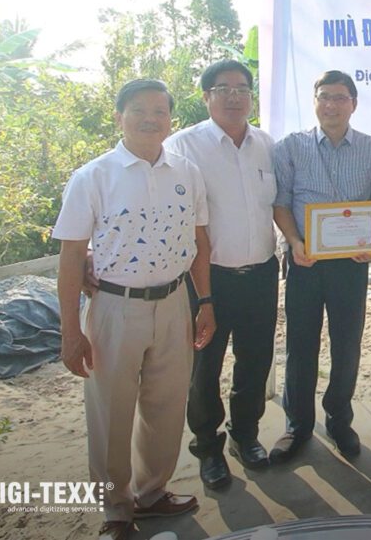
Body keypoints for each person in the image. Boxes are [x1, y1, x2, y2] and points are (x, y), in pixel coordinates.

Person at [54, 79, 216, 540]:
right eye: (140, 110)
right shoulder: (93, 176)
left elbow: (200, 243)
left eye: (160, 111)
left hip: (173, 304)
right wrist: (70, 331)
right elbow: (70, 258)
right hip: (114, 308)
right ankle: (115, 510)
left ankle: (152, 493)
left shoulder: (187, 172)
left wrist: (204, 301)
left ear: (171, 119)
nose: (151, 119)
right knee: (111, 410)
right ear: (119, 116)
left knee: (166, 406)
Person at [165, 60, 279, 489]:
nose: (234, 96)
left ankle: (244, 435)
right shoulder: (182, 147)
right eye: (223, 88)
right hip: (207, 279)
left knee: (255, 359)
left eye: (242, 88)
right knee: (204, 366)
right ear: (205, 96)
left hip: (262, 274)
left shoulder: (266, 144)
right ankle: (208, 447)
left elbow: (279, 206)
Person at [270, 70, 371, 461]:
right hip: (305, 260)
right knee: (300, 345)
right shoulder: (291, 146)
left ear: (353, 104)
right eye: (324, 96)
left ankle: (339, 419)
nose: (331, 105)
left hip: (351, 266)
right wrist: (293, 241)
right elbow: (282, 202)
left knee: (346, 345)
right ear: (315, 101)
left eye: (340, 97)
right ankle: (298, 425)